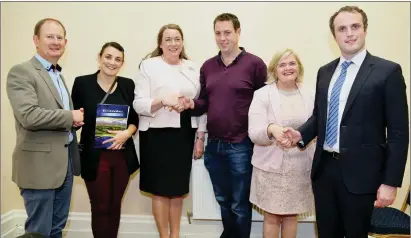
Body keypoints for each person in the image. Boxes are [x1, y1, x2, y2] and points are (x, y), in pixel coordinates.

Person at [283, 6, 409, 238]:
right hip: (324, 171)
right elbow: (320, 116)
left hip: (363, 174)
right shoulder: (325, 71)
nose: (349, 33)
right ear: (334, 36)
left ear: (365, 30)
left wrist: (390, 182)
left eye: (355, 27)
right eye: (342, 29)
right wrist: (301, 134)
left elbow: (399, 132)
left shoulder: (387, 71)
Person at [182, 13, 267, 238]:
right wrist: (191, 103)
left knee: (239, 205)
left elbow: (264, 103)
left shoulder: (255, 64)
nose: (223, 38)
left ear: (238, 32)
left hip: (241, 145)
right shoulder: (208, 66)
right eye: (218, 33)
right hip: (214, 146)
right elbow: (203, 105)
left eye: (227, 32)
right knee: (223, 201)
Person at [6, 18, 83, 238]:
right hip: (39, 167)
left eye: (60, 37)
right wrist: (70, 116)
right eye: (50, 36)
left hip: (64, 165)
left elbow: (55, 116)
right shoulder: (22, 72)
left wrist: (73, 122)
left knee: (57, 228)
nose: (55, 41)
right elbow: (28, 116)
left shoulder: (58, 74)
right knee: (38, 232)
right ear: (36, 40)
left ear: (65, 42)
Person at [133, 23, 207, 238]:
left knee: (178, 190)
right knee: (160, 189)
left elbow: (201, 104)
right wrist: (162, 101)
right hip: (156, 134)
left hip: (184, 133)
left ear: (182, 42)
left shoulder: (193, 67)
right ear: (160, 43)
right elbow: (139, 104)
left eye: (177, 39)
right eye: (168, 39)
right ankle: (164, 236)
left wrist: (200, 136)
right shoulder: (148, 65)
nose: (173, 43)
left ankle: (175, 235)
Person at [71, 42, 140, 238]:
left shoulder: (127, 85)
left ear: (122, 63)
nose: (112, 62)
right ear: (99, 58)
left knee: (114, 205)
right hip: (95, 157)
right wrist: (75, 121)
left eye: (118, 59)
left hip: (121, 157)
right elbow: (74, 116)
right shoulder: (82, 83)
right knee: (100, 206)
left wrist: (126, 133)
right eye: (108, 57)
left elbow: (135, 120)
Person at [248, 49, 315, 238]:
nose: (288, 68)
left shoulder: (309, 94)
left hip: (300, 166)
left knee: (291, 216)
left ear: (299, 67)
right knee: (272, 216)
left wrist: (299, 139)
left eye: (292, 63)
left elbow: (316, 127)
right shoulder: (262, 95)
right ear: (274, 70)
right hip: (270, 167)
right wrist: (271, 129)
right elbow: (254, 133)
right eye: (282, 64)